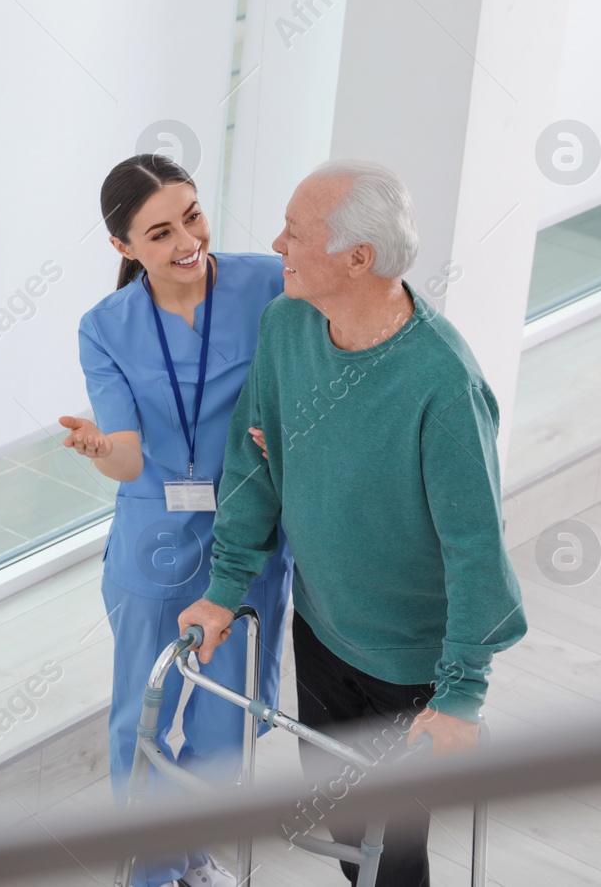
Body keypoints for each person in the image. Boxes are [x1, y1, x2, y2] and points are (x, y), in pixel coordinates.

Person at [178, 159, 527, 887]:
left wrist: (462, 693)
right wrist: (224, 587)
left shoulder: (441, 384)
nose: (276, 243)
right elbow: (254, 465)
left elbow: (476, 550)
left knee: (392, 854)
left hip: (411, 663)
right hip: (324, 628)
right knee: (340, 820)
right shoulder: (287, 326)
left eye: (296, 232)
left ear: (356, 258)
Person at [61, 153, 294, 887]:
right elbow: (129, 457)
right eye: (159, 233)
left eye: (191, 215)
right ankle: (151, 874)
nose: (187, 240)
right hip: (153, 540)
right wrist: (100, 450)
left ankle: (186, 848)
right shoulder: (106, 326)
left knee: (233, 722)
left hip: (246, 537)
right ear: (124, 248)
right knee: (142, 723)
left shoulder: (266, 281)